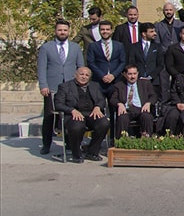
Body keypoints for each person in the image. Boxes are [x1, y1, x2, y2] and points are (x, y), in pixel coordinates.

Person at [37, 19, 83, 155]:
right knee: (49, 117)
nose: (62, 32)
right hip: (51, 88)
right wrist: (43, 85)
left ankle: (70, 143)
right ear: (55, 31)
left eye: (65, 30)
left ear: (69, 31)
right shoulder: (46, 47)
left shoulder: (75, 47)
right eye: (60, 30)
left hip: (70, 87)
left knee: (70, 116)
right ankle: (46, 144)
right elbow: (41, 68)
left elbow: (80, 67)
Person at [54, 67, 111, 163]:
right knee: (77, 126)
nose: (84, 77)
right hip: (73, 115)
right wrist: (72, 110)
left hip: (91, 113)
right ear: (75, 75)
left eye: (87, 75)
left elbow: (101, 100)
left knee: (104, 123)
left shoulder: (95, 85)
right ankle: (76, 154)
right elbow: (58, 104)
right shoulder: (65, 86)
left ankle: (92, 152)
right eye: (81, 74)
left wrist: (97, 107)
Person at [110, 64, 156, 137]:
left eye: (135, 74)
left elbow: (153, 96)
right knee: (122, 118)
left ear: (138, 73)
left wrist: (148, 103)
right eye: (130, 74)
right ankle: (121, 141)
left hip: (141, 109)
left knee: (147, 117)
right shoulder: (119, 85)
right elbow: (113, 99)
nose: (133, 76)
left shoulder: (145, 83)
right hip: (126, 110)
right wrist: (119, 104)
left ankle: (147, 140)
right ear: (125, 74)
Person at [87, 21, 125, 93]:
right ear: (99, 31)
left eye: (107, 29)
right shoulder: (93, 46)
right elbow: (91, 63)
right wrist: (102, 76)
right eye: (102, 29)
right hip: (99, 81)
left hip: (115, 81)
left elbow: (122, 62)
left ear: (111, 31)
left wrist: (113, 75)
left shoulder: (119, 45)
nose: (105, 31)